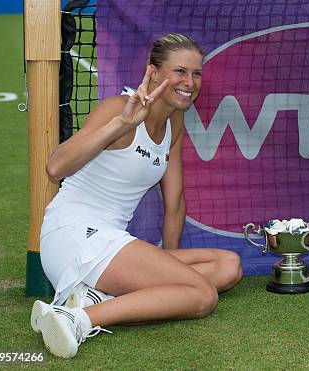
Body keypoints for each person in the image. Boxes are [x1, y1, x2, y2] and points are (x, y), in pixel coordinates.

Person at [31, 33, 243, 359]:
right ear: (154, 72)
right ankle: (76, 317)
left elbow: (175, 202)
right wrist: (120, 123)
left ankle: (94, 297)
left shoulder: (175, 121)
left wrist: (170, 272)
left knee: (227, 266)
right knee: (203, 296)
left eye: (196, 73)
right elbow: (55, 167)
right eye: (180, 71)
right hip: (74, 235)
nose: (190, 82)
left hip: (109, 243)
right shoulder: (119, 108)